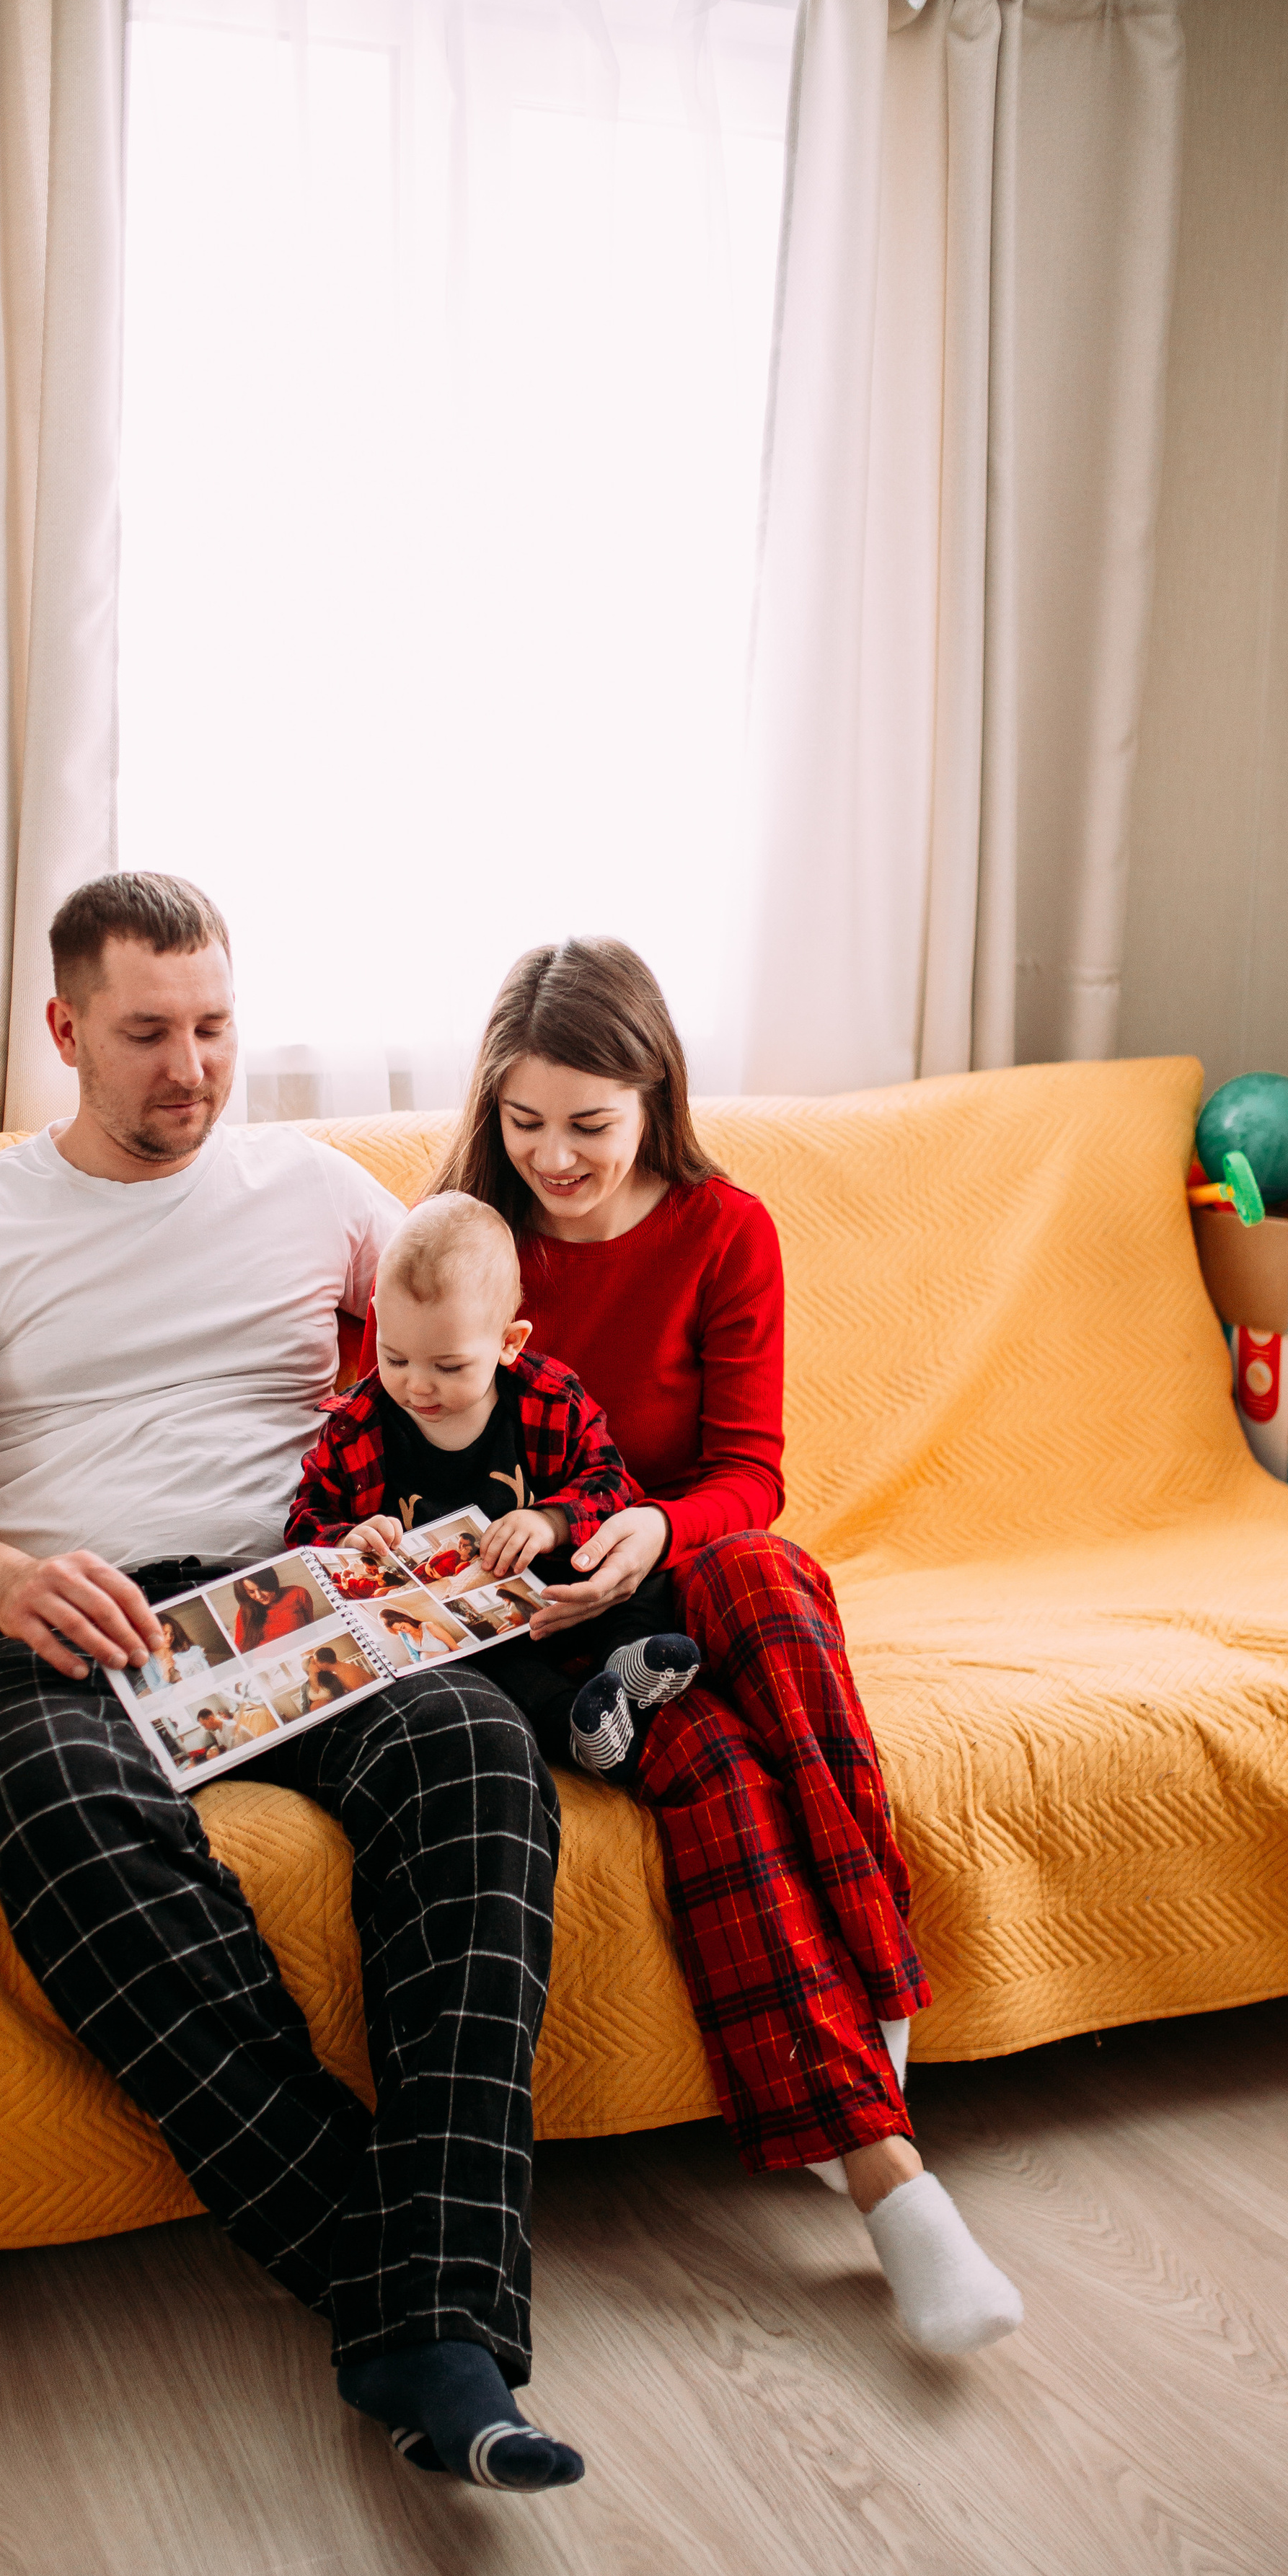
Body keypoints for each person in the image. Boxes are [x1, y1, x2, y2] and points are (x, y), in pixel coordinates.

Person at [0, 870, 583, 2492]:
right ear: (62, 1031)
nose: (189, 1068)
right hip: (62, 1621)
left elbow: (467, 1347)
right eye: (144, 1034)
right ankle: (420, 2299)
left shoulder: (316, 1190)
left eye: (213, 1027)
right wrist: (4, 1578)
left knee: (473, 1752)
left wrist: (508, 1531)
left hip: (293, 1597)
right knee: (49, 1806)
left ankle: (416, 2306)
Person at [418, 937, 1023, 2358]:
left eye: (586, 1124)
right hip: (558, 1629)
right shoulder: (461, 1237)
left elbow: (750, 1471)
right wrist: (537, 1564)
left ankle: (871, 1994)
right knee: (712, 1774)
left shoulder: (722, 1228)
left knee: (759, 1572)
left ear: (654, 1096)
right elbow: (414, 1470)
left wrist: (650, 1532)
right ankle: (886, 2172)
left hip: (685, 1567)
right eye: (521, 1124)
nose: (552, 1158)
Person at [290, 1191, 701, 1774]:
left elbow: (613, 1483)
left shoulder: (548, 1398)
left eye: (448, 1366)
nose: (418, 1387)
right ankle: (578, 1727)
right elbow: (305, 1518)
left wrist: (551, 1520)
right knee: (478, 1671)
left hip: (564, 1599)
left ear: (510, 1343)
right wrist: (347, 1540)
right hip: (472, 1635)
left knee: (644, 1577)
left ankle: (627, 1663)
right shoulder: (358, 1426)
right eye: (396, 1357)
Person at [232, 1568, 314, 1653]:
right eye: (251, 1592)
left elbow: (311, 1631)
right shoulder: (245, 1610)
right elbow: (240, 1650)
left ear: (271, 1582)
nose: (259, 1596)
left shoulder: (298, 1593)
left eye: (261, 1589)